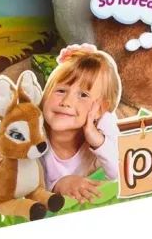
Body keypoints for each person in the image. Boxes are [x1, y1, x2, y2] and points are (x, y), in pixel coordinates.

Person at [41, 44, 121, 203]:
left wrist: (98, 141)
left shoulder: (104, 123)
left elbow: (122, 172)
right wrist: (58, 185)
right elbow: (23, 183)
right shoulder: (33, 132)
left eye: (83, 95)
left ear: (99, 109)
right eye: (61, 90)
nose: (66, 102)